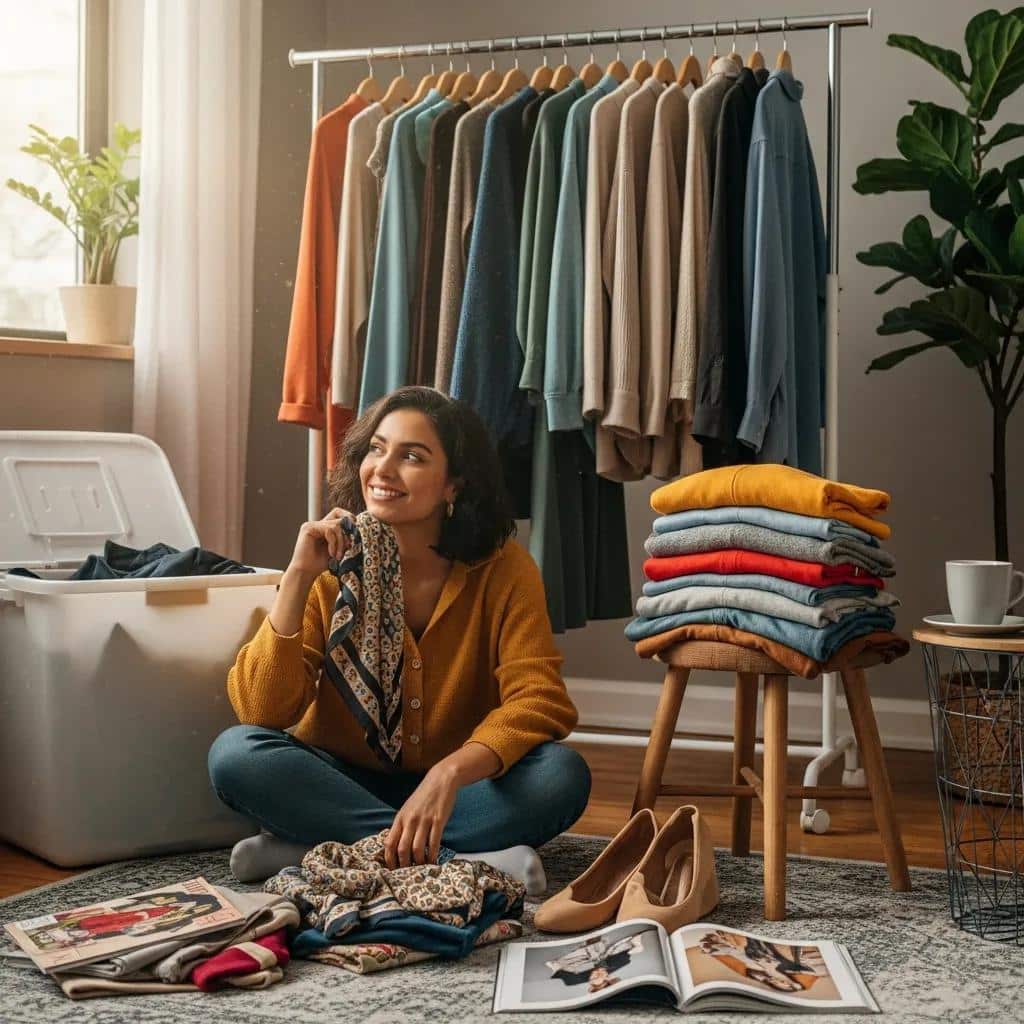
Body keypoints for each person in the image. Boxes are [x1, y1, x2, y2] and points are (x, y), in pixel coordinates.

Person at [208, 386, 591, 891]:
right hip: (344, 780)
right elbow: (263, 710)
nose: (383, 469)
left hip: (459, 791)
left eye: (411, 456)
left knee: (560, 775)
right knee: (236, 754)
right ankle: (468, 863)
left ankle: (316, 850)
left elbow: (539, 701)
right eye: (376, 449)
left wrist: (447, 775)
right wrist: (298, 575)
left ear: (454, 484)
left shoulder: (505, 570)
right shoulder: (330, 562)